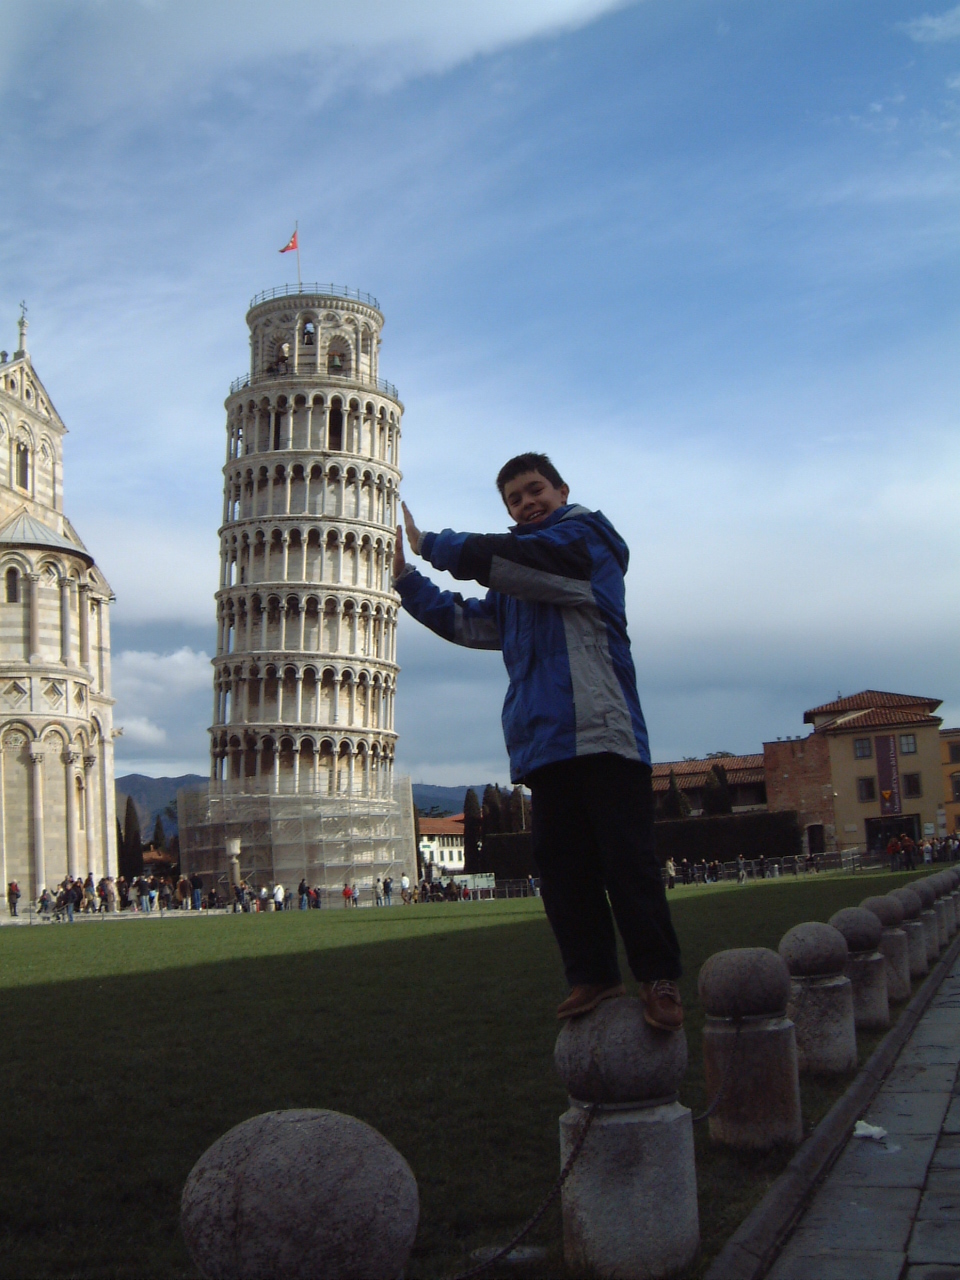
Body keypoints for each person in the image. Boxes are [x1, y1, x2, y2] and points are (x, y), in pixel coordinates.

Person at [393, 452, 683, 1029]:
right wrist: (406, 582)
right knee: (562, 873)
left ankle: (659, 978)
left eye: (535, 490)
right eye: (515, 499)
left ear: (562, 490)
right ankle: (593, 975)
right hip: (545, 746)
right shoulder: (518, 582)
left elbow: (516, 559)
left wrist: (431, 545)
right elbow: (468, 622)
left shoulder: (587, 542)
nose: (527, 503)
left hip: (604, 733)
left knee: (629, 866)